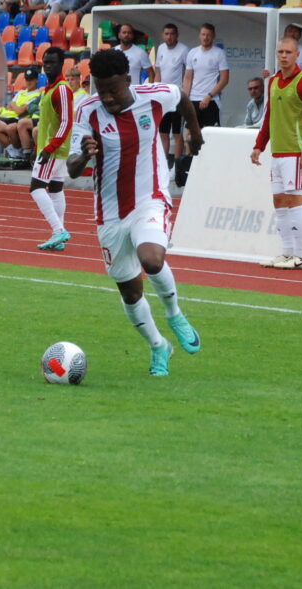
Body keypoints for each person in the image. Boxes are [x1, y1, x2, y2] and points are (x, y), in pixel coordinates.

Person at [67, 48, 203, 376]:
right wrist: (84, 155)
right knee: (130, 292)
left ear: (128, 80)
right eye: (101, 90)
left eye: (113, 90)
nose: (107, 98)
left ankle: (174, 314)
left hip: (149, 198)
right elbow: (71, 168)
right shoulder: (87, 110)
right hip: (110, 213)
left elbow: (183, 98)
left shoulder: (154, 96)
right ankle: (158, 346)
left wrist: (195, 132)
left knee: (152, 260)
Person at [250, 36, 302, 270]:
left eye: (288, 52)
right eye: (280, 52)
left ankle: (300, 255)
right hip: (278, 152)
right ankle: (286, 252)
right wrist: (259, 145)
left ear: (297, 55)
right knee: (279, 202)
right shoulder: (273, 81)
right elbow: (268, 116)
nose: (283, 56)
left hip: (296, 151)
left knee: (294, 201)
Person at [31, 48, 74, 251]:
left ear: (61, 64)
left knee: (36, 187)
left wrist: (49, 148)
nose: (47, 66)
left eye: (52, 62)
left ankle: (59, 230)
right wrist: (38, 147)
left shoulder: (61, 89)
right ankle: (59, 237)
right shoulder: (49, 89)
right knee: (55, 190)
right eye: (45, 62)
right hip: (52, 148)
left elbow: (66, 122)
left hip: (54, 149)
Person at [153, 22, 189, 169]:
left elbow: (188, 74)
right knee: (163, 133)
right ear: (163, 35)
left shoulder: (184, 50)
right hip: (163, 98)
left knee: (177, 134)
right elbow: (158, 72)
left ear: (177, 35)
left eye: (172, 34)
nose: (169, 37)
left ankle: (177, 167)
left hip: (177, 97)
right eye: (166, 34)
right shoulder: (161, 48)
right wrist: (156, 90)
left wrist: (184, 93)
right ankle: (164, 165)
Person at [183, 22, 229, 128]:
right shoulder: (192, 52)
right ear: (199, 35)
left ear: (213, 36)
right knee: (191, 133)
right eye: (203, 34)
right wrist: (185, 98)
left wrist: (209, 96)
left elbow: (224, 79)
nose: (205, 37)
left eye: (208, 35)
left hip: (211, 100)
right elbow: (188, 78)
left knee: (211, 134)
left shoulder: (219, 53)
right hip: (193, 99)